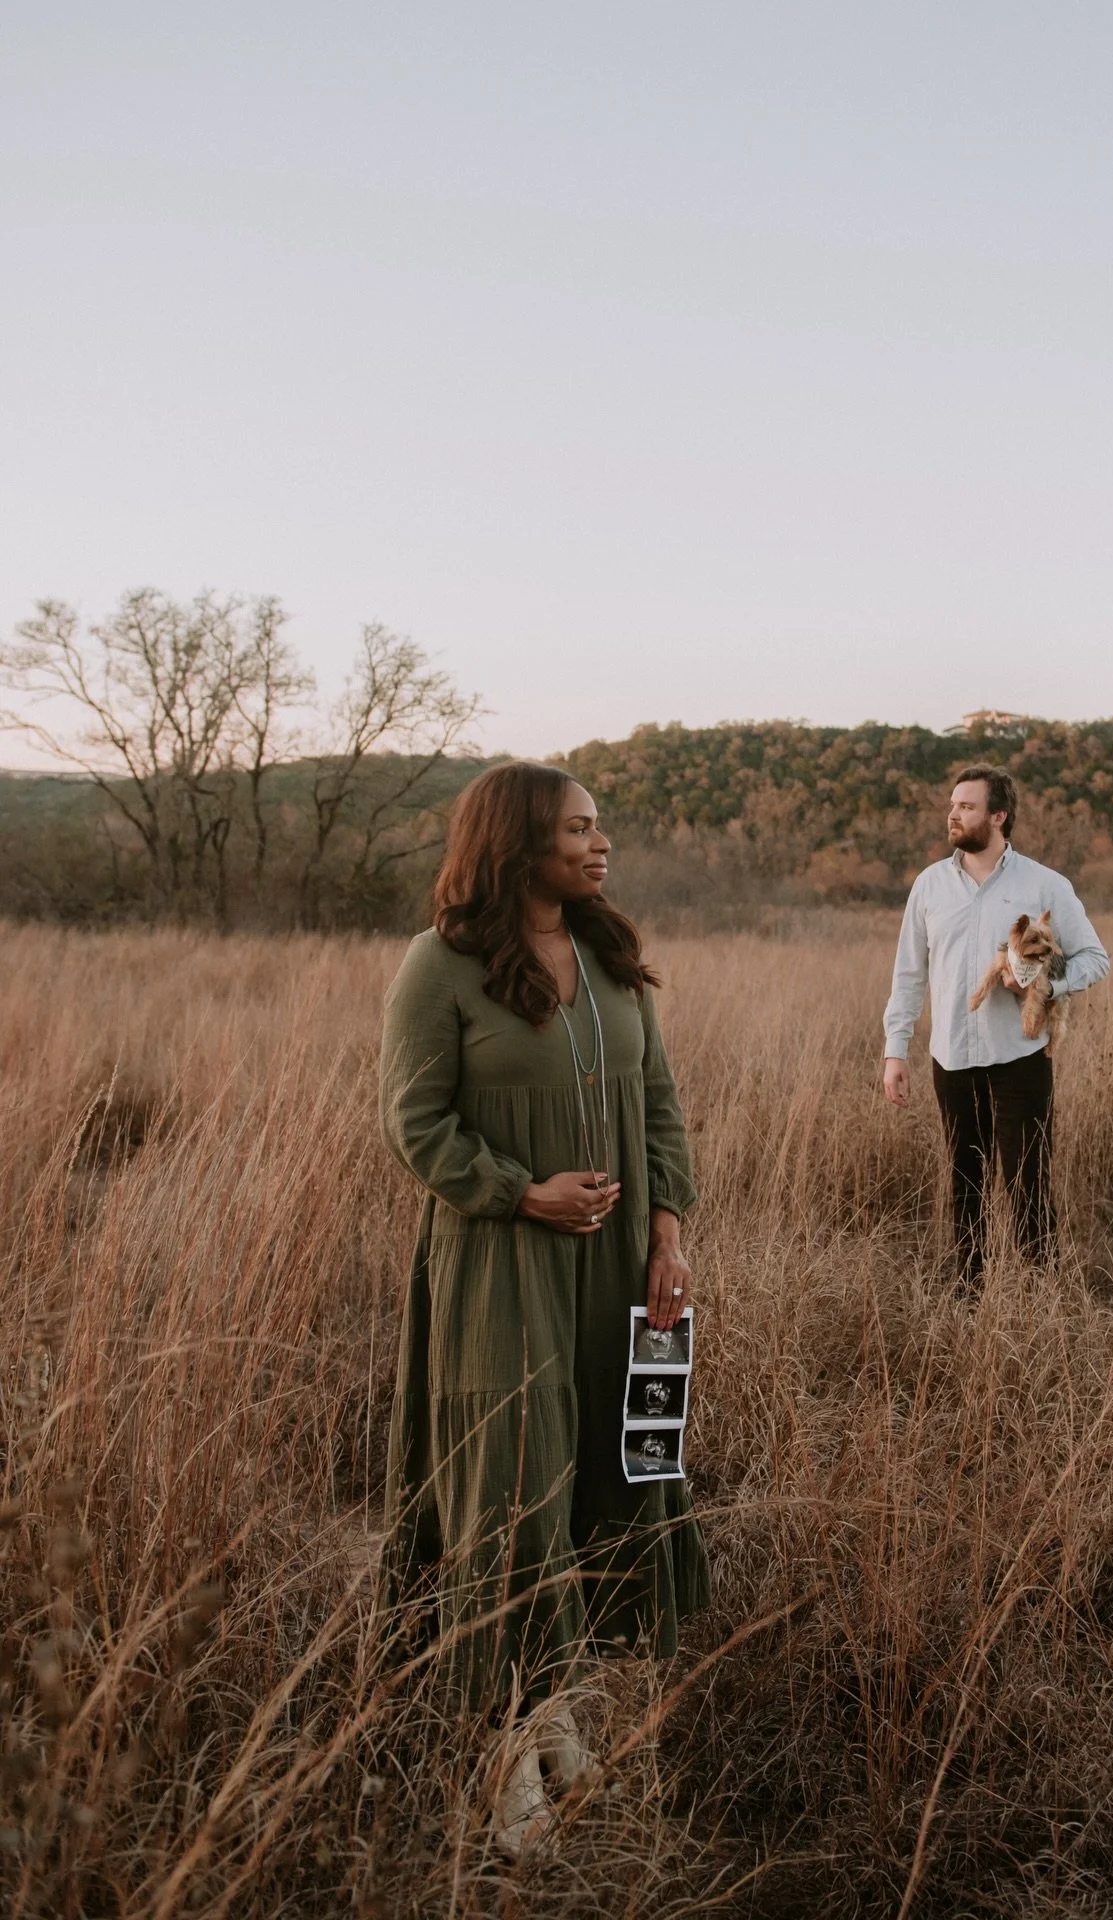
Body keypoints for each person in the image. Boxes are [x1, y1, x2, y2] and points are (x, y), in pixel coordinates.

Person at [378, 761, 709, 1853]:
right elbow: (415, 1124)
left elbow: (657, 1104)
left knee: (598, 1474)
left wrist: (666, 1233)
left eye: (600, 826)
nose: (600, 844)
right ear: (517, 842)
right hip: (501, 1264)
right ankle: (499, 1749)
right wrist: (522, 1192)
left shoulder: (610, 958)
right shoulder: (442, 965)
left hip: (616, 1267)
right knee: (512, 1486)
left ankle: (553, 1710)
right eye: (577, 828)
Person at [881, 765, 1109, 1290]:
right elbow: (909, 974)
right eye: (952, 805)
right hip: (952, 1059)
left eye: (967, 806)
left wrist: (1045, 986)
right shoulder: (930, 885)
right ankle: (970, 1297)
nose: (953, 815)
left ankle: (1040, 1300)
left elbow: (1096, 958)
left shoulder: (1044, 884)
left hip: (1020, 1059)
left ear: (998, 815)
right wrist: (896, 1050)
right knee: (966, 1186)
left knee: (1029, 1188)